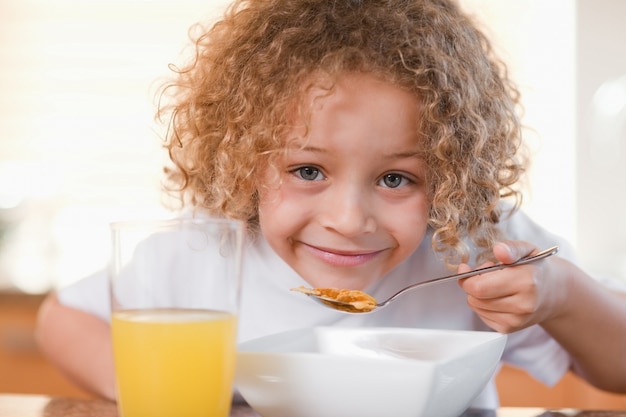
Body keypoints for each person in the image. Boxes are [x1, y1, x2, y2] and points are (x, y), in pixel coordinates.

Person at [36, 0, 626, 407]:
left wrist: (560, 293)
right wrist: (146, 390)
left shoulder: (471, 242)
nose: (347, 221)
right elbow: (62, 318)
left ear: (451, 175)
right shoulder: (204, 250)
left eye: (396, 179)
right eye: (308, 170)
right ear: (244, 162)